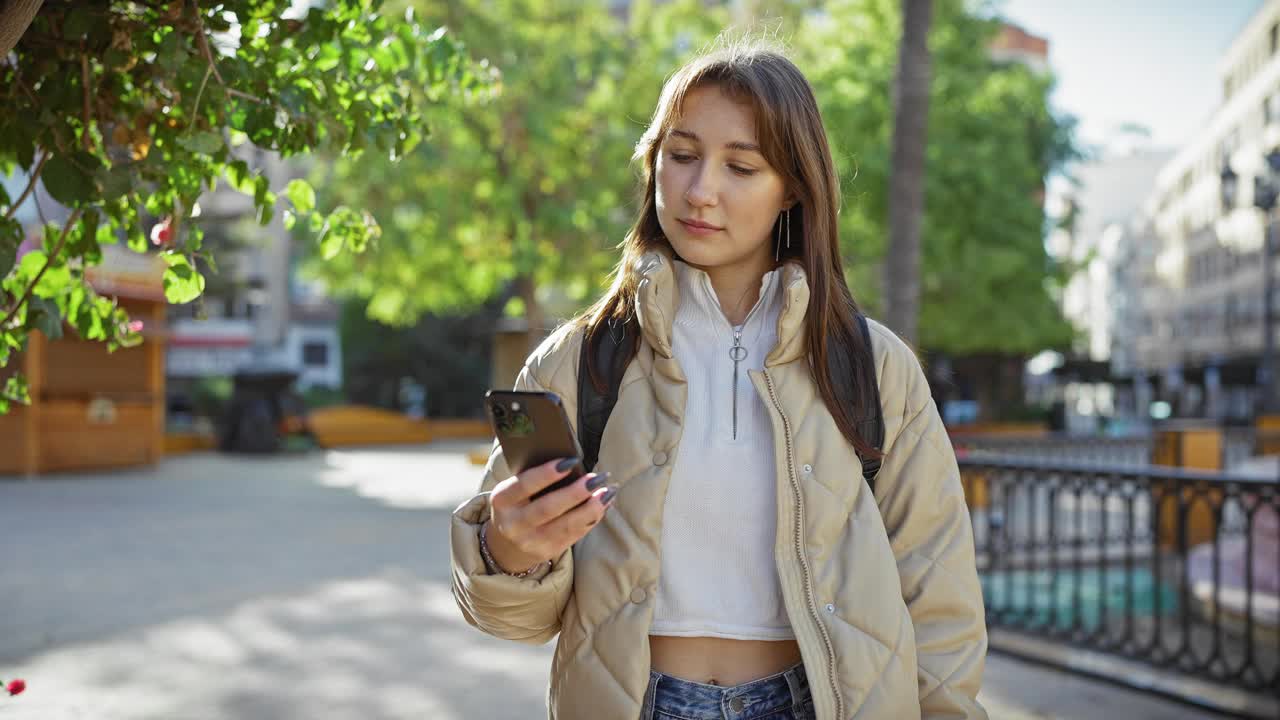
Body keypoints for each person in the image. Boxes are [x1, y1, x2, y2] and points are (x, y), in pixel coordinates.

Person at [450, 39, 988, 720]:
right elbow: (513, 618)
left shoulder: (875, 369)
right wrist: (508, 552)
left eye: (740, 166)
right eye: (681, 156)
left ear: (792, 186)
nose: (701, 190)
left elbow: (939, 595)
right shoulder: (577, 362)